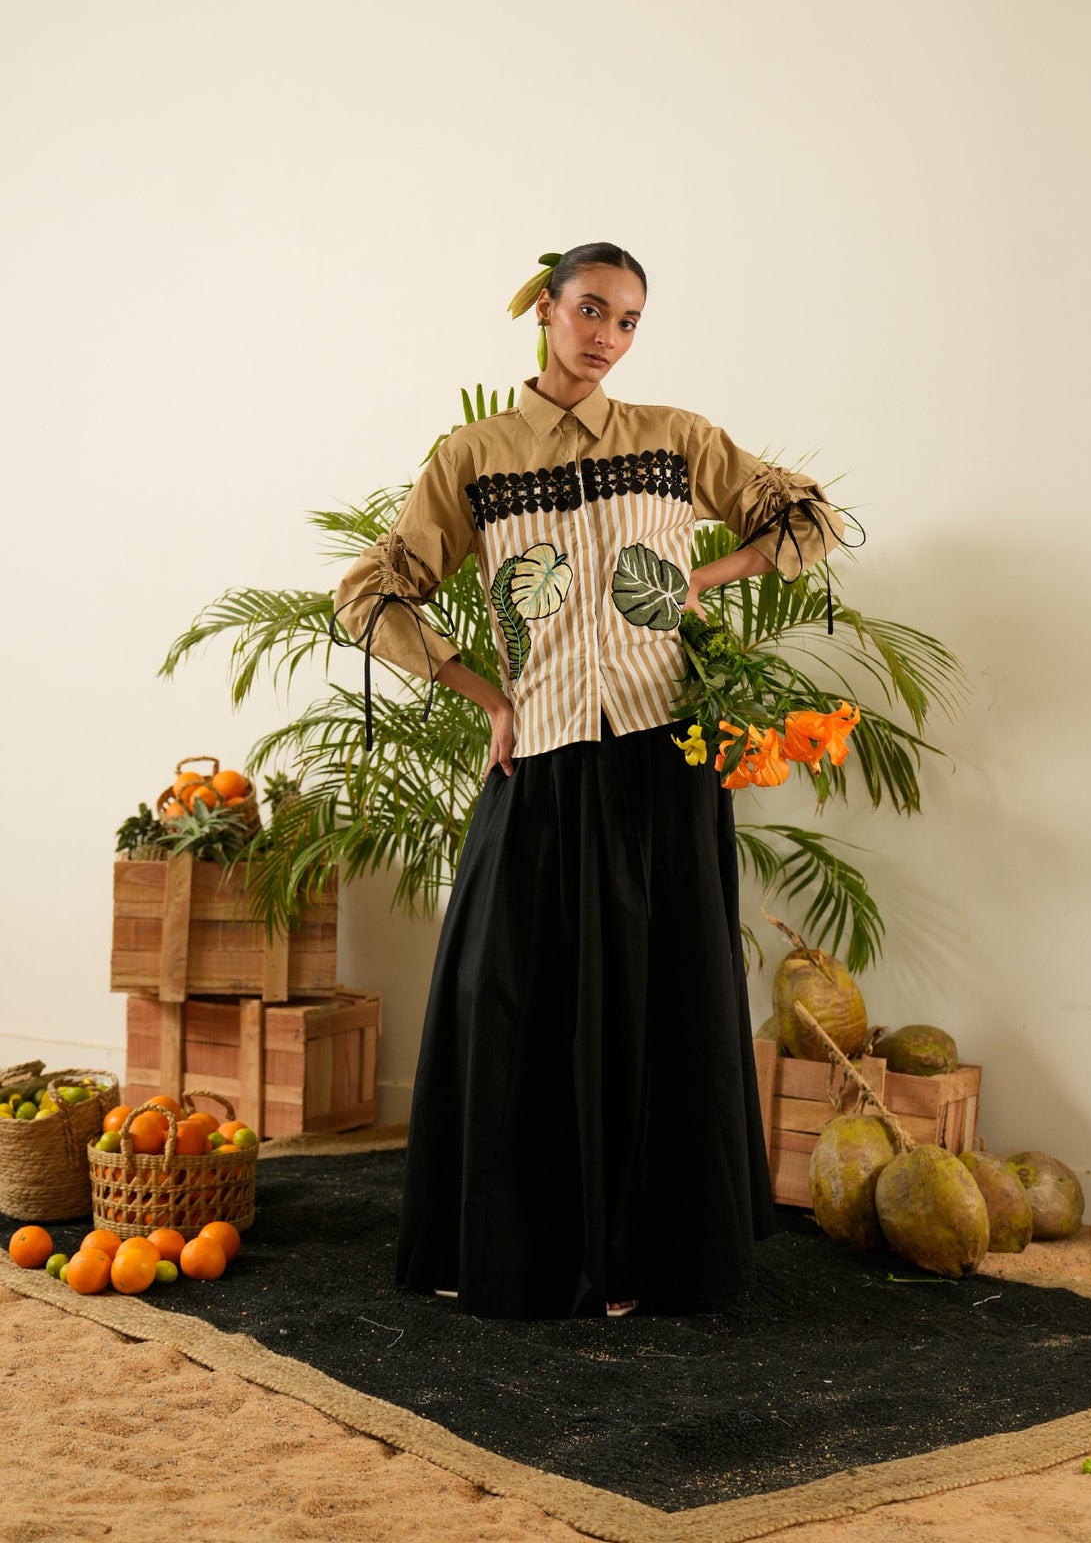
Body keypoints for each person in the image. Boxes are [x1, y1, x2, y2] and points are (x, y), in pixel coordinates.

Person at [334, 241, 846, 1320]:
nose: (607, 336)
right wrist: (488, 697)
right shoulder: (475, 456)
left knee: (665, 999)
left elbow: (806, 521)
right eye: (591, 310)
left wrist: (700, 578)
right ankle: (530, 1255)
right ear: (546, 312)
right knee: (509, 992)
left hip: (668, 758)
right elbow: (370, 596)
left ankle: (652, 1262)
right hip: (548, 752)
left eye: (627, 321)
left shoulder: (676, 441)